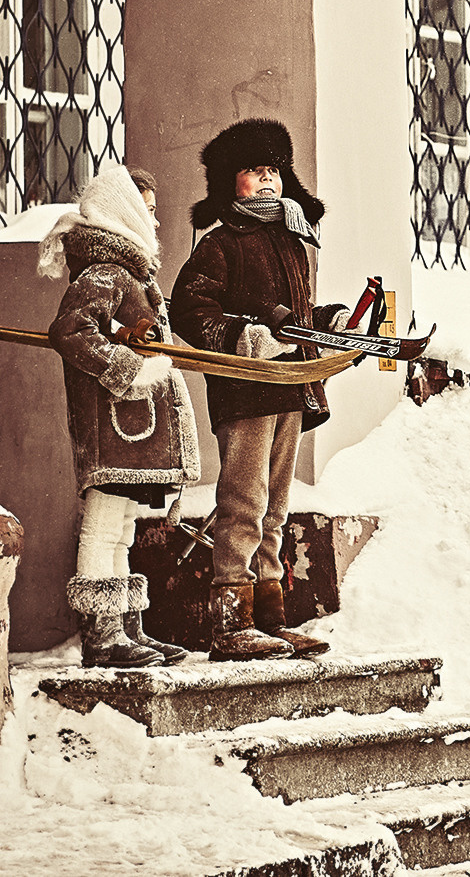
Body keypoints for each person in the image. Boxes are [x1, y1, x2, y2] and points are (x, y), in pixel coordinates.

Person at [172, 118, 347, 660]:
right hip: (246, 391)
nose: (267, 181)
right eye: (253, 171)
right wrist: (245, 336)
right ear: (231, 181)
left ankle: (270, 617)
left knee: (276, 505)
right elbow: (189, 311)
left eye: (273, 170)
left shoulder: (293, 242)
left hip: (290, 387)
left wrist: (327, 319)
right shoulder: (220, 244)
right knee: (243, 502)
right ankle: (231, 618)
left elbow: (293, 318)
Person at [42, 165, 201, 669]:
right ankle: (103, 636)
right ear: (122, 211)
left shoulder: (131, 274)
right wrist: (130, 370)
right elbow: (70, 332)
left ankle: (128, 627)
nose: (153, 223)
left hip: (132, 431)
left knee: (124, 526)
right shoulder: (105, 273)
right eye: (146, 211)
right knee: (104, 523)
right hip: (111, 426)